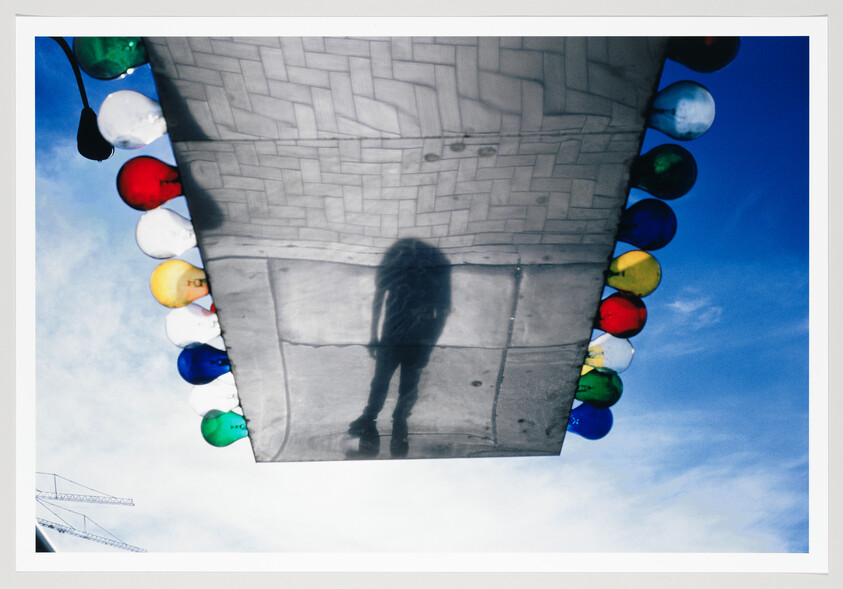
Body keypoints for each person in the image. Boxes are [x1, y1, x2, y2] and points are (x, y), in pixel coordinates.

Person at [348, 239, 451, 457]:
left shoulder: (407, 257)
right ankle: (384, 419)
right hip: (400, 336)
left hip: (408, 337)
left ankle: (391, 420)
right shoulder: (425, 261)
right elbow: (380, 294)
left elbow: (442, 310)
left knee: (400, 383)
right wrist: (373, 334)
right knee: (391, 381)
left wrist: (374, 334)